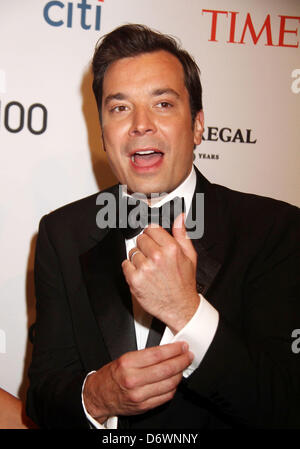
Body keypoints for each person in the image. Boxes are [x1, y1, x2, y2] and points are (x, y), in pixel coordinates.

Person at [26, 24, 300, 429]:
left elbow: (288, 404)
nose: (140, 124)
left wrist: (186, 313)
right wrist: (97, 396)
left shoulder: (276, 230)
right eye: (119, 107)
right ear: (102, 132)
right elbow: (41, 397)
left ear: (198, 126)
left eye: (163, 104)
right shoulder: (60, 234)